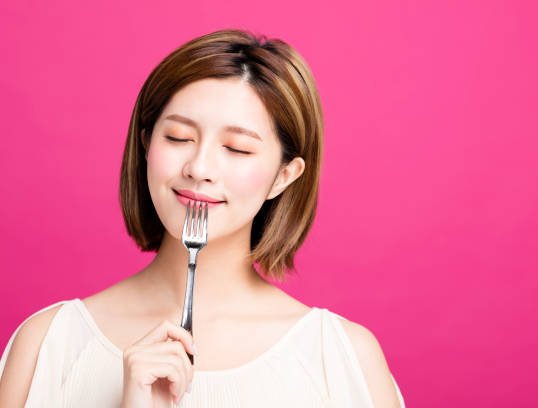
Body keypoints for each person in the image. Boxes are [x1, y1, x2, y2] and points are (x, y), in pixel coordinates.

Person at [0, 29, 405, 407]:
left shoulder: (340, 358)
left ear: (284, 176)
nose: (199, 167)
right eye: (178, 138)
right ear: (145, 144)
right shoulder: (47, 345)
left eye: (238, 149)